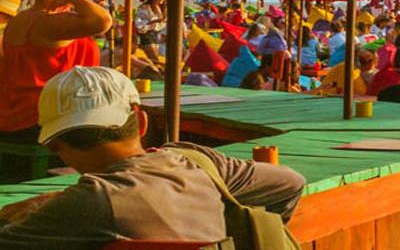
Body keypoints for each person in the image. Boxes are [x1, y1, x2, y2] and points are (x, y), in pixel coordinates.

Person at [0, 67, 304, 246]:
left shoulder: (91, 202)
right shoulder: (199, 163)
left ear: (54, 146)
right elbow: (290, 183)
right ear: (141, 120)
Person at [0, 0, 112, 143]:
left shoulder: (25, 19)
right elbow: (101, 21)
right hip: (42, 117)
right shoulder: (42, 23)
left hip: (28, 112)